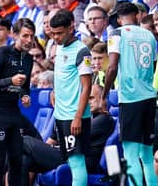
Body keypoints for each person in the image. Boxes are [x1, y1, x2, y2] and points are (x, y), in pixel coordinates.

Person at [100, 2, 158, 186]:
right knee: (147, 155)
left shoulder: (116, 34)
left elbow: (112, 67)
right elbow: (153, 67)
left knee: (130, 153)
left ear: (118, 19)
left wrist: (104, 96)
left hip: (131, 98)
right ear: (137, 15)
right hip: (149, 97)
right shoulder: (150, 36)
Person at [21, 84, 115, 185]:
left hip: (82, 161)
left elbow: (73, 135)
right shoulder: (90, 118)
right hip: (70, 155)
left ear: (102, 98)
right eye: (86, 98)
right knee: (25, 160)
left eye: (91, 98)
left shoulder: (104, 119)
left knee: (25, 141)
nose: (87, 101)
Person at [0, 18, 35, 186]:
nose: (29, 40)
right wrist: (10, 81)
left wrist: (25, 96)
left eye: (32, 36)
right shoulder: (1, 54)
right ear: (14, 34)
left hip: (12, 110)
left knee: (17, 158)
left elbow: (24, 86)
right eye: (25, 36)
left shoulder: (28, 59)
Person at [50, 9, 92, 186]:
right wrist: (54, 91)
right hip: (61, 115)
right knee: (68, 161)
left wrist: (77, 117)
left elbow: (87, 86)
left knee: (77, 162)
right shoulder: (59, 48)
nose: (55, 38)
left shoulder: (82, 51)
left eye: (59, 33)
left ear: (71, 28)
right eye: (52, 34)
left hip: (74, 116)